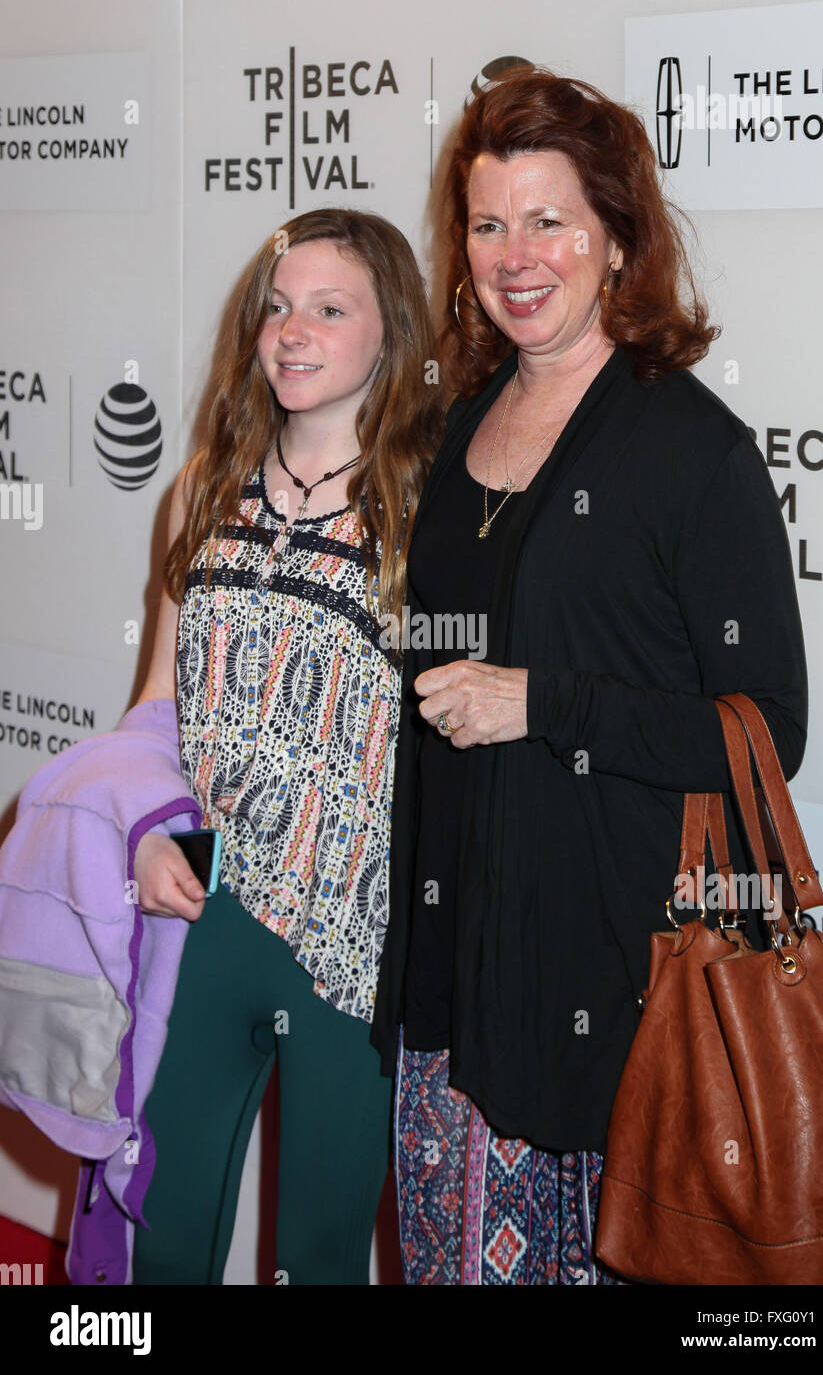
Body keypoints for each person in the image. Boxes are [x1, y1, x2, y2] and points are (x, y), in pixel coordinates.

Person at [370, 68, 808, 1285]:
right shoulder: (459, 426)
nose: (515, 255)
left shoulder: (688, 450)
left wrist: (539, 701)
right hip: (451, 994)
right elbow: (440, 652)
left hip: (621, 1004)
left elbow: (766, 729)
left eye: (548, 219)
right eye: (487, 222)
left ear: (615, 236)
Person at [130, 208, 443, 1284]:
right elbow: (154, 710)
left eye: (329, 307)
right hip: (200, 917)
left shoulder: (426, 512)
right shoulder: (200, 494)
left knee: (320, 1256)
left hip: (357, 948)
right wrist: (141, 833)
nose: (291, 330)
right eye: (277, 305)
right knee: (157, 1237)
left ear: (389, 333)